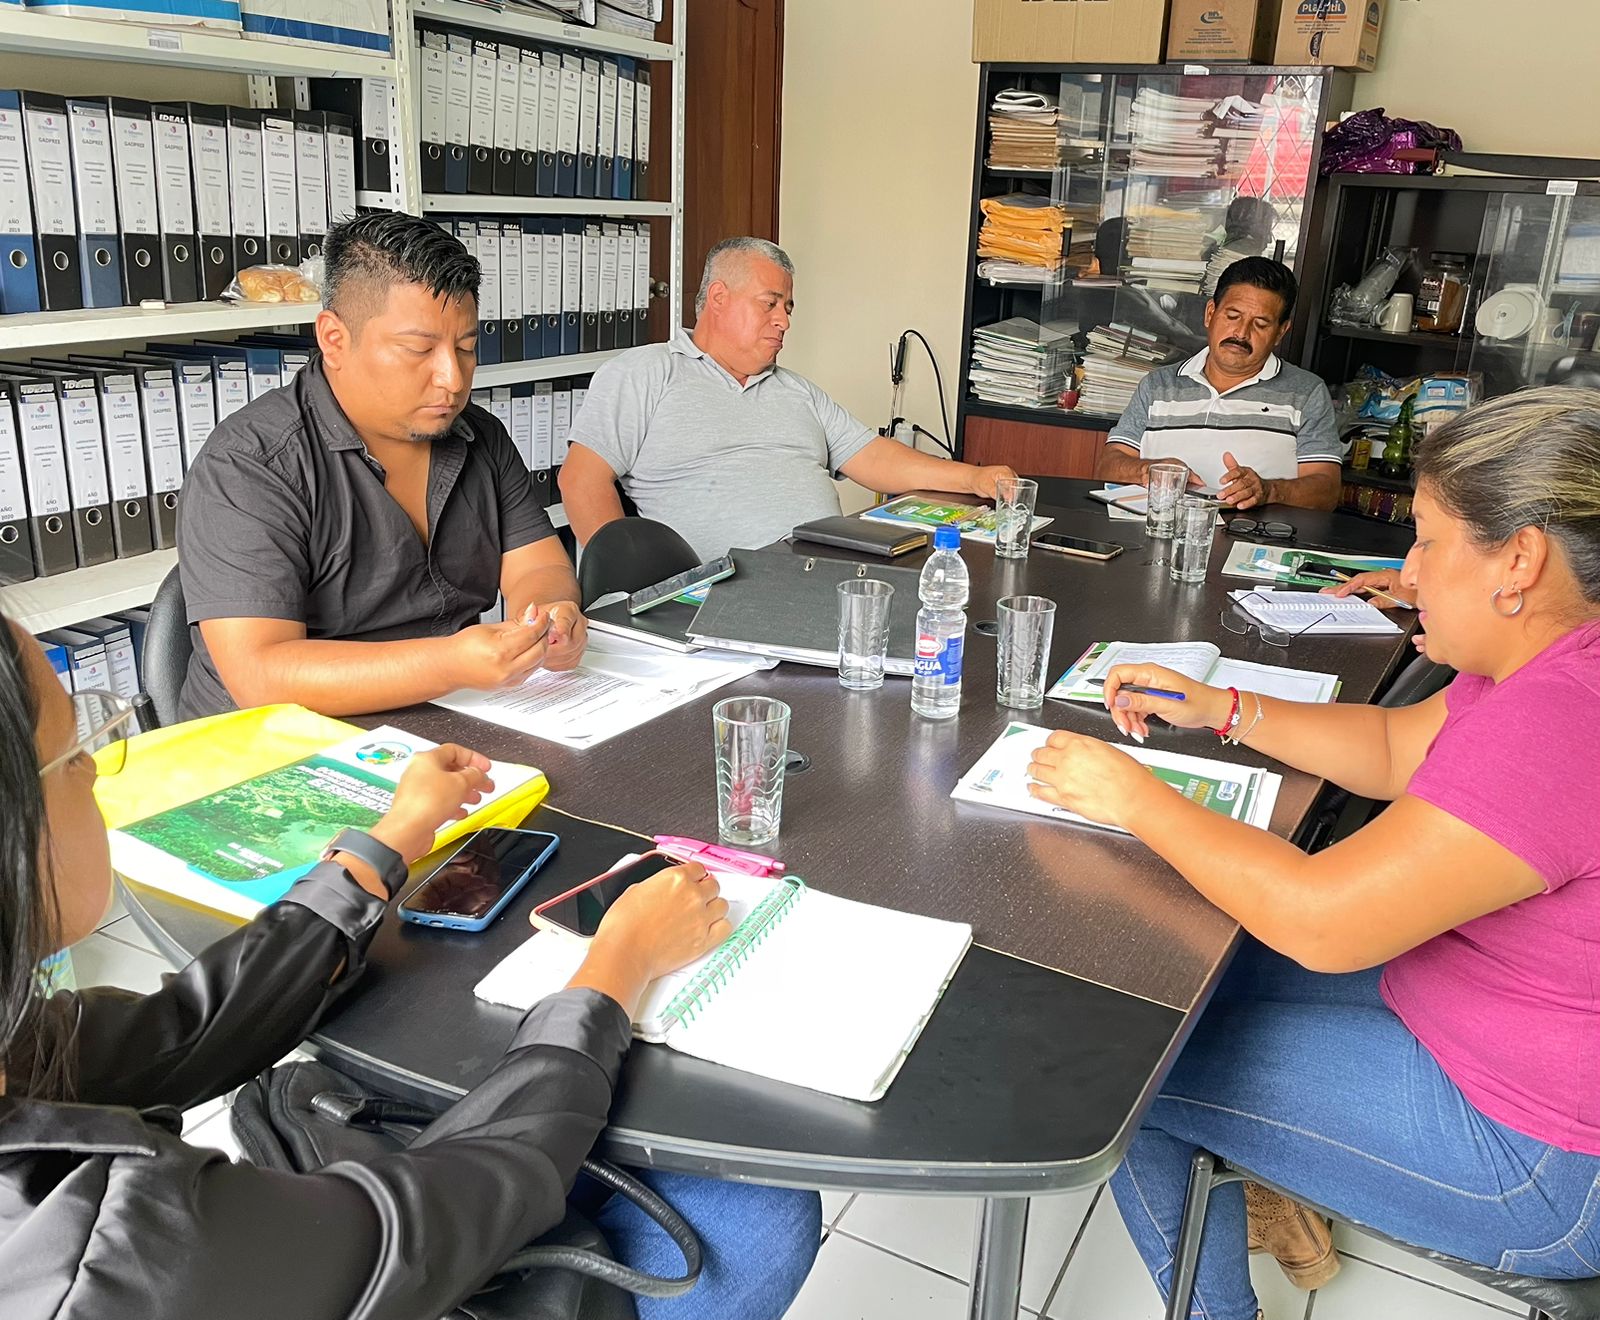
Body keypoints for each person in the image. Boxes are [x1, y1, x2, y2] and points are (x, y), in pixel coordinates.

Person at [0, 613, 820, 1319]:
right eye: (75, 751)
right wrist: (617, 965)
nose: (94, 769)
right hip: (400, 1249)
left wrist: (386, 843)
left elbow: (178, 1031)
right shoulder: (98, 1253)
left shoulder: (17, 1051)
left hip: (319, 1245)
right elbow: (441, 1214)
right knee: (761, 1213)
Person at [1030, 387, 1600, 1320]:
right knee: (1167, 976)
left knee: (1124, 1066)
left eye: (1427, 541)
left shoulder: (1561, 719)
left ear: (1520, 561)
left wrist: (1136, 797)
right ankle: (1273, 1165)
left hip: (1534, 1156)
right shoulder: (1546, 660)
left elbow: (1322, 920)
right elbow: (1392, 749)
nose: (1407, 574)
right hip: (1462, 1006)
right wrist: (1224, 709)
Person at [176, 212, 587, 721]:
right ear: (334, 339)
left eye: (466, 348)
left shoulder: (480, 436)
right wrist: (450, 663)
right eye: (419, 349)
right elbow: (261, 676)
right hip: (280, 743)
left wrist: (551, 616)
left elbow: (540, 567)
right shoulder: (250, 465)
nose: (453, 378)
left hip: (447, 712)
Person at [559, 236, 1017, 560]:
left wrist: (975, 478)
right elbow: (581, 482)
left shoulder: (796, 390)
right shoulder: (646, 373)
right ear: (718, 298)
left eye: (788, 307)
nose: (784, 321)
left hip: (832, 574)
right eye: (770, 303)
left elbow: (873, 456)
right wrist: (633, 587)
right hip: (721, 596)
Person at [1094, 257, 1343, 511]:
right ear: (1210, 313)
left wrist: (1269, 490)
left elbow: (1327, 491)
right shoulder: (1157, 386)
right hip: (1162, 530)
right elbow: (1108, 465)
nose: (1241, 333)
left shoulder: (1306, 393)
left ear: (1281, 332)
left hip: (1253, 535)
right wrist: (1149, 471)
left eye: (1260, 324)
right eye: (1232, 316)